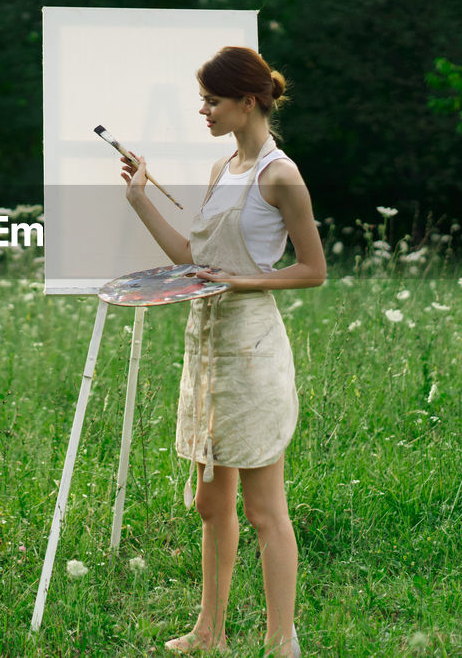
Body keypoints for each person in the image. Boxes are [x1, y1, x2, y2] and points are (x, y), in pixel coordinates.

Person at [120, 46, 326, 657]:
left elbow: (312, 271)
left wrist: (244, 281)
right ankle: (209, 632)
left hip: (252, 347)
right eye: (202, 100)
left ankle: (280, 643)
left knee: (264, 509)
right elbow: (194, 259)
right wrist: (139, 199)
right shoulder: (221, 170)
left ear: (250, 101)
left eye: (213, 101)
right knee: (211, 501)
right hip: (206, 344)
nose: (203, 111)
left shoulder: (280, 176)